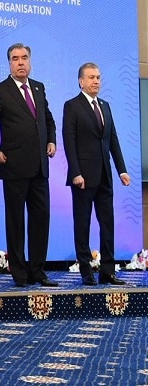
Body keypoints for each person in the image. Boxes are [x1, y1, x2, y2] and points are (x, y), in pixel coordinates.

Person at [0, 43, 57, 288]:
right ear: (9, 63)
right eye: (15, 58)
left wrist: (52, 140)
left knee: (41, 219)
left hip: (39, 168)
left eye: (24, 58)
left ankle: (38, 270)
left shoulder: (39, 87)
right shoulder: (0, 91)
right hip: (13, 167)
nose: (20, 62)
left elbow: (48, 120)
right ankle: (20, 273)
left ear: (30, 61)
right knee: (15, 222)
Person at [62, 63, 129, 286]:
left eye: (98, 77)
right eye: (91, 77)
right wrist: (76, 172)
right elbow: (69, 142)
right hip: (82, 178)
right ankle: (86, 272)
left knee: (107, 224)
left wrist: (122, 170)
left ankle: (108, 271)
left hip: (105, 177)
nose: (96, 81)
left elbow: (113, 140)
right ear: (81, 81)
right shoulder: (72, 106)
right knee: (82, 225)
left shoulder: (105, 106)